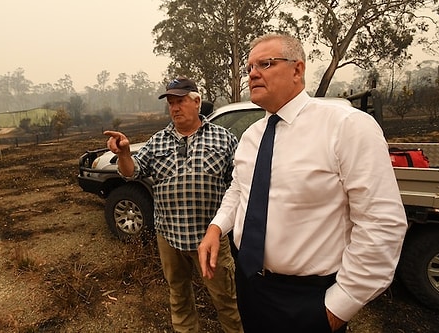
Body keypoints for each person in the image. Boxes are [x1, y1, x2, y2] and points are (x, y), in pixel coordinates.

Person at [198, 33, 407, 332]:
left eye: (265, 63)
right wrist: (216, 227)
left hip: (308, 297)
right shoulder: (251, 136)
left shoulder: (346, 126)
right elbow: (240, 190)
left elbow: (381, 224)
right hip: (250, 286)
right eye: (249, 68)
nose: (253, 73)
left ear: (298, 70)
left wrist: (338, 306)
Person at [104, 77, 243, 333]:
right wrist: (124, 154)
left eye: (180, 101)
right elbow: (131, 173)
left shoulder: (224, 139)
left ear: (197, 102)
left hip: (210, 238)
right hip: (169, 236)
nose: (175, 108)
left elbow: (236, 186)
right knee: (179, 298)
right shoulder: (158, 141)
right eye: (171, 103)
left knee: (226, 300)